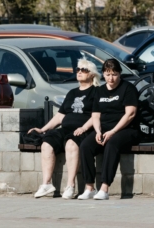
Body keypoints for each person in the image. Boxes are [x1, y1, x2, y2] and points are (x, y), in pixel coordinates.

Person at [27, 58, 100, 199]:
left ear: (92, 74)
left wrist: (84, 128)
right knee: (47, 143)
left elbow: (96, 115)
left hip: (83, 130)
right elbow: (60, 116)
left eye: (84, 70)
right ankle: (46, 184)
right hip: (65, 129)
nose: (79, 72)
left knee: (71, 144)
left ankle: (70, 185)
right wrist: (43, 129)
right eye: (78, 69)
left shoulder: (96, 92)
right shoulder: (72, 93)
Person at [77, 58, 141, 200]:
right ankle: (89, 187)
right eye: (107, 74)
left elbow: (130, 114)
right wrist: (98, 132)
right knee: (85, 145)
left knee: (112, 144)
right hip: (104, 129)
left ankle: (104, 188)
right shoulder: (100, 91)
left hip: (126, 129)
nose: (110, 78)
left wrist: (113, 131)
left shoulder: (128, 88)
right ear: (103, 74)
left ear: (119, 74)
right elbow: (95, 115)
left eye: (114, 74)